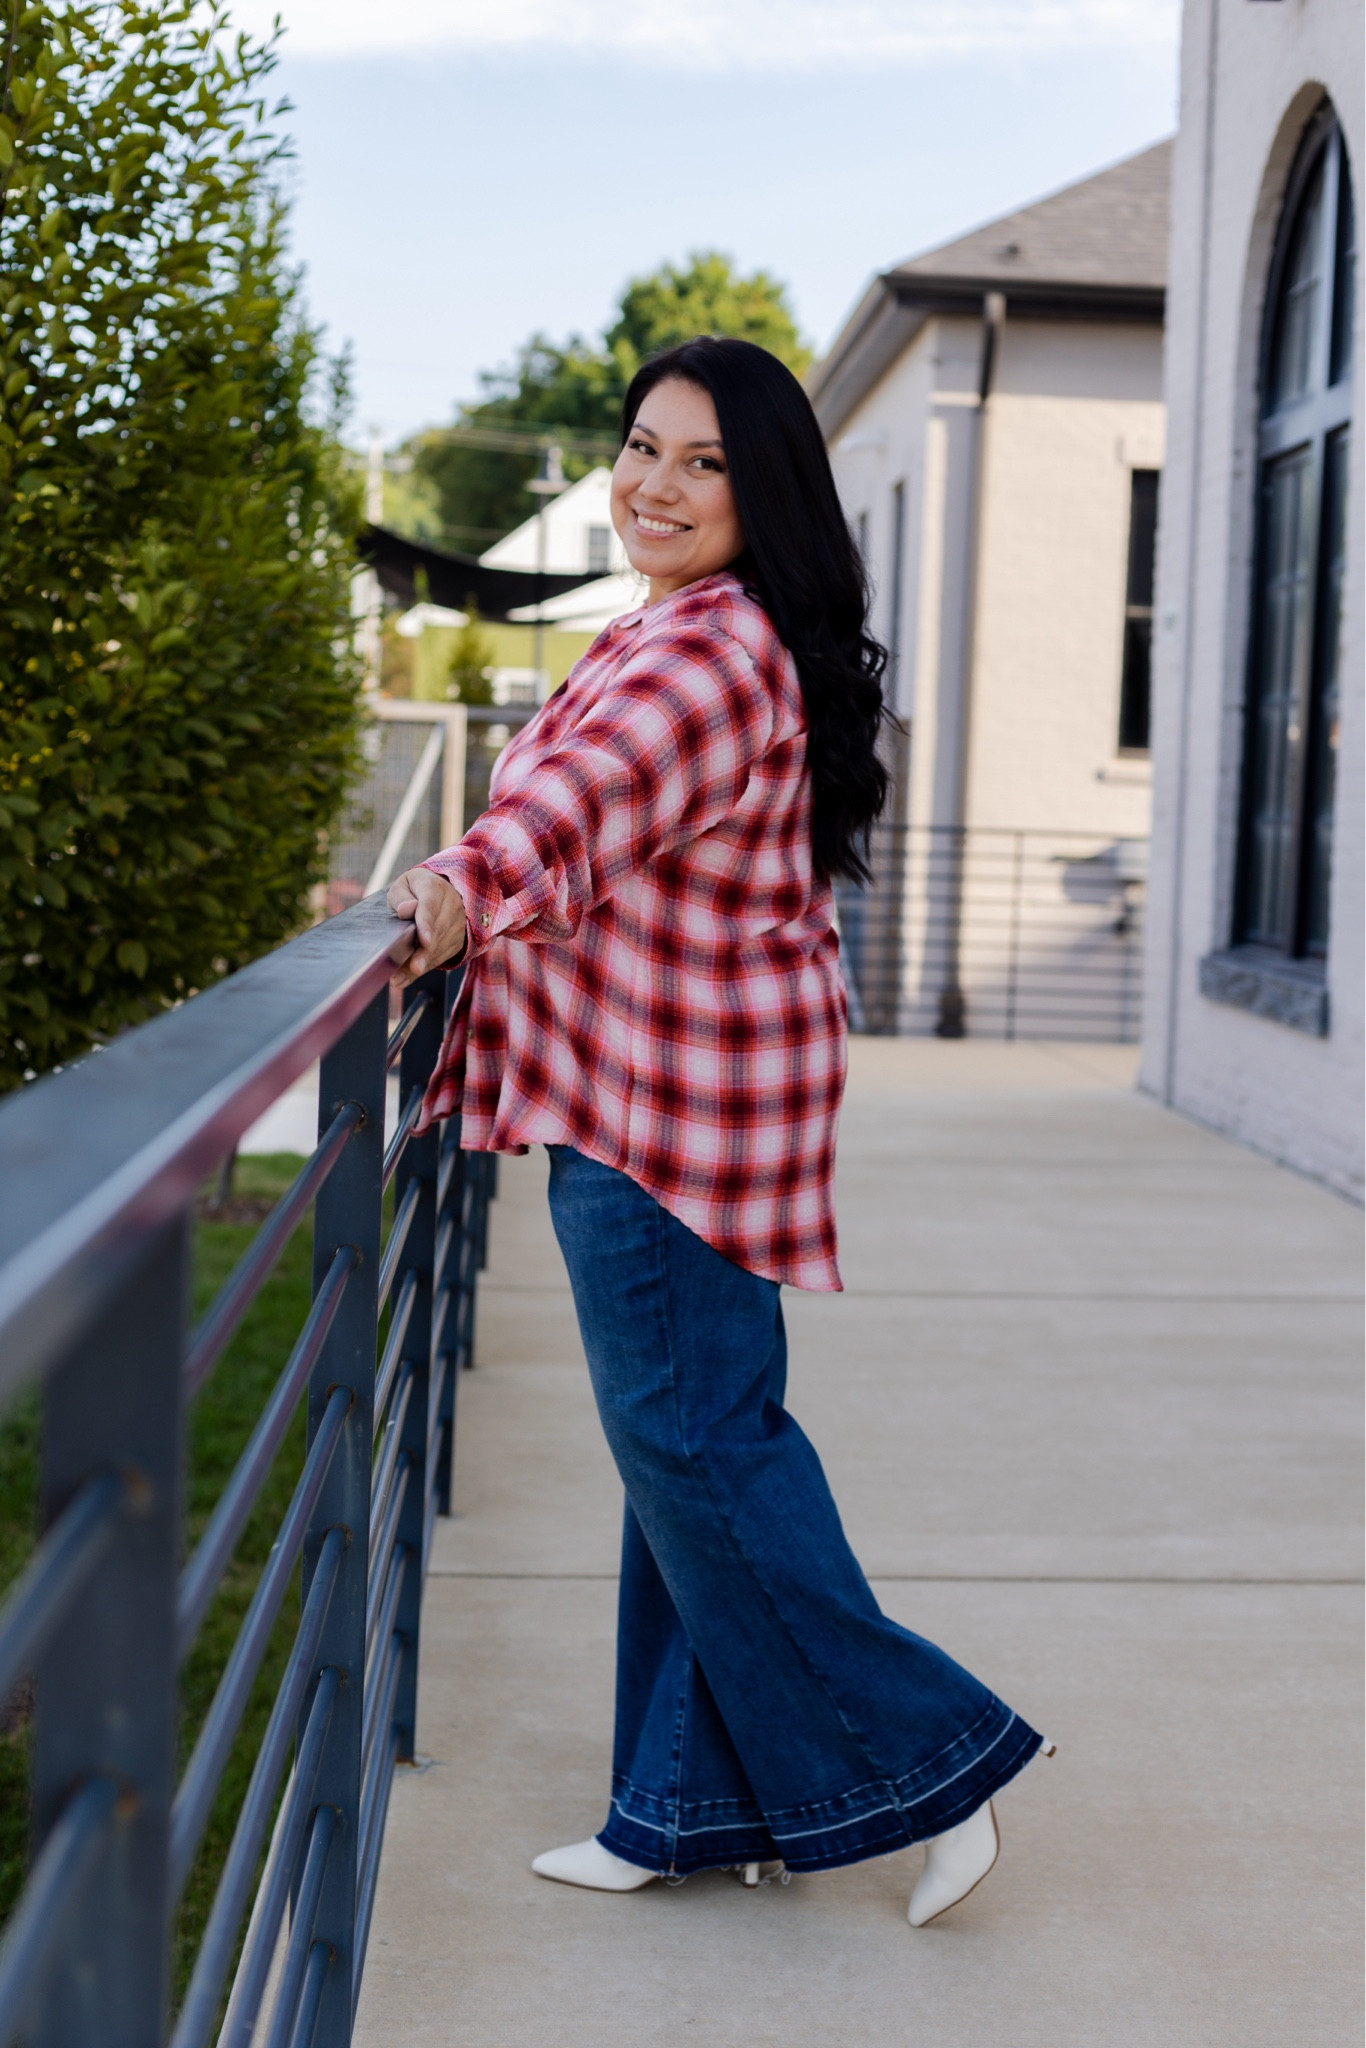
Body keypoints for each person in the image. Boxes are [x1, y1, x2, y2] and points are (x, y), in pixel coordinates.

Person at [388, 336, 1050, 1927]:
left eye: (704, 462)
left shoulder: (703, 658)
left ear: (767, 495)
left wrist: (452, 893)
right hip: (680, 1099)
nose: (654, 484)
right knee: (686, 1458)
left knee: (698, 1452)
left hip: (662, 1115)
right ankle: (682, 1808)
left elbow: (586, 802)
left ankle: (931, 1764)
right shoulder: (692, 629)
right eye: (640, 447)